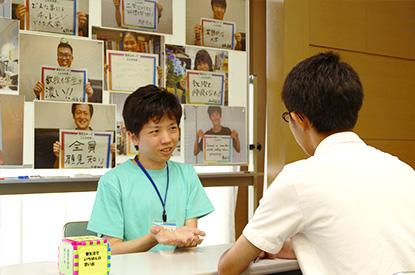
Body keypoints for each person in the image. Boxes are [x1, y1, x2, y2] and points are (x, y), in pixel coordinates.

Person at [218, 52, 415, 275]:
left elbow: (229, 267)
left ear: (299, 119)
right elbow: (363, 244)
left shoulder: (298, 179)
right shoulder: (402, 170)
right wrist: (298, 248)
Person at [87, 85, 214, 254]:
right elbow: (111, 248)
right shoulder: (113, 181)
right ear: (133, 137)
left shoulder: (187, 174)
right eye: (155, 131)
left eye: (172, 128)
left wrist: (187, 238)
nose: (167, 139)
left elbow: (189, 237)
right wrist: (154, 238)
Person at [52, 103, 115, 168]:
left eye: (85, 113)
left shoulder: (103, 141)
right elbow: (56, 169)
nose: (82, 117)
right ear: (73, 116)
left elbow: (107, 169)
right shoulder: (65, 140)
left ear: (90, 116)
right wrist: (59, 156)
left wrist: (112, 156)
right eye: (78, 113)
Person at [13, 4, 88, 36]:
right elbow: (21, 39)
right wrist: (22, 19)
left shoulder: (71, 12)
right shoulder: (30, 8)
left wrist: (78, 27)